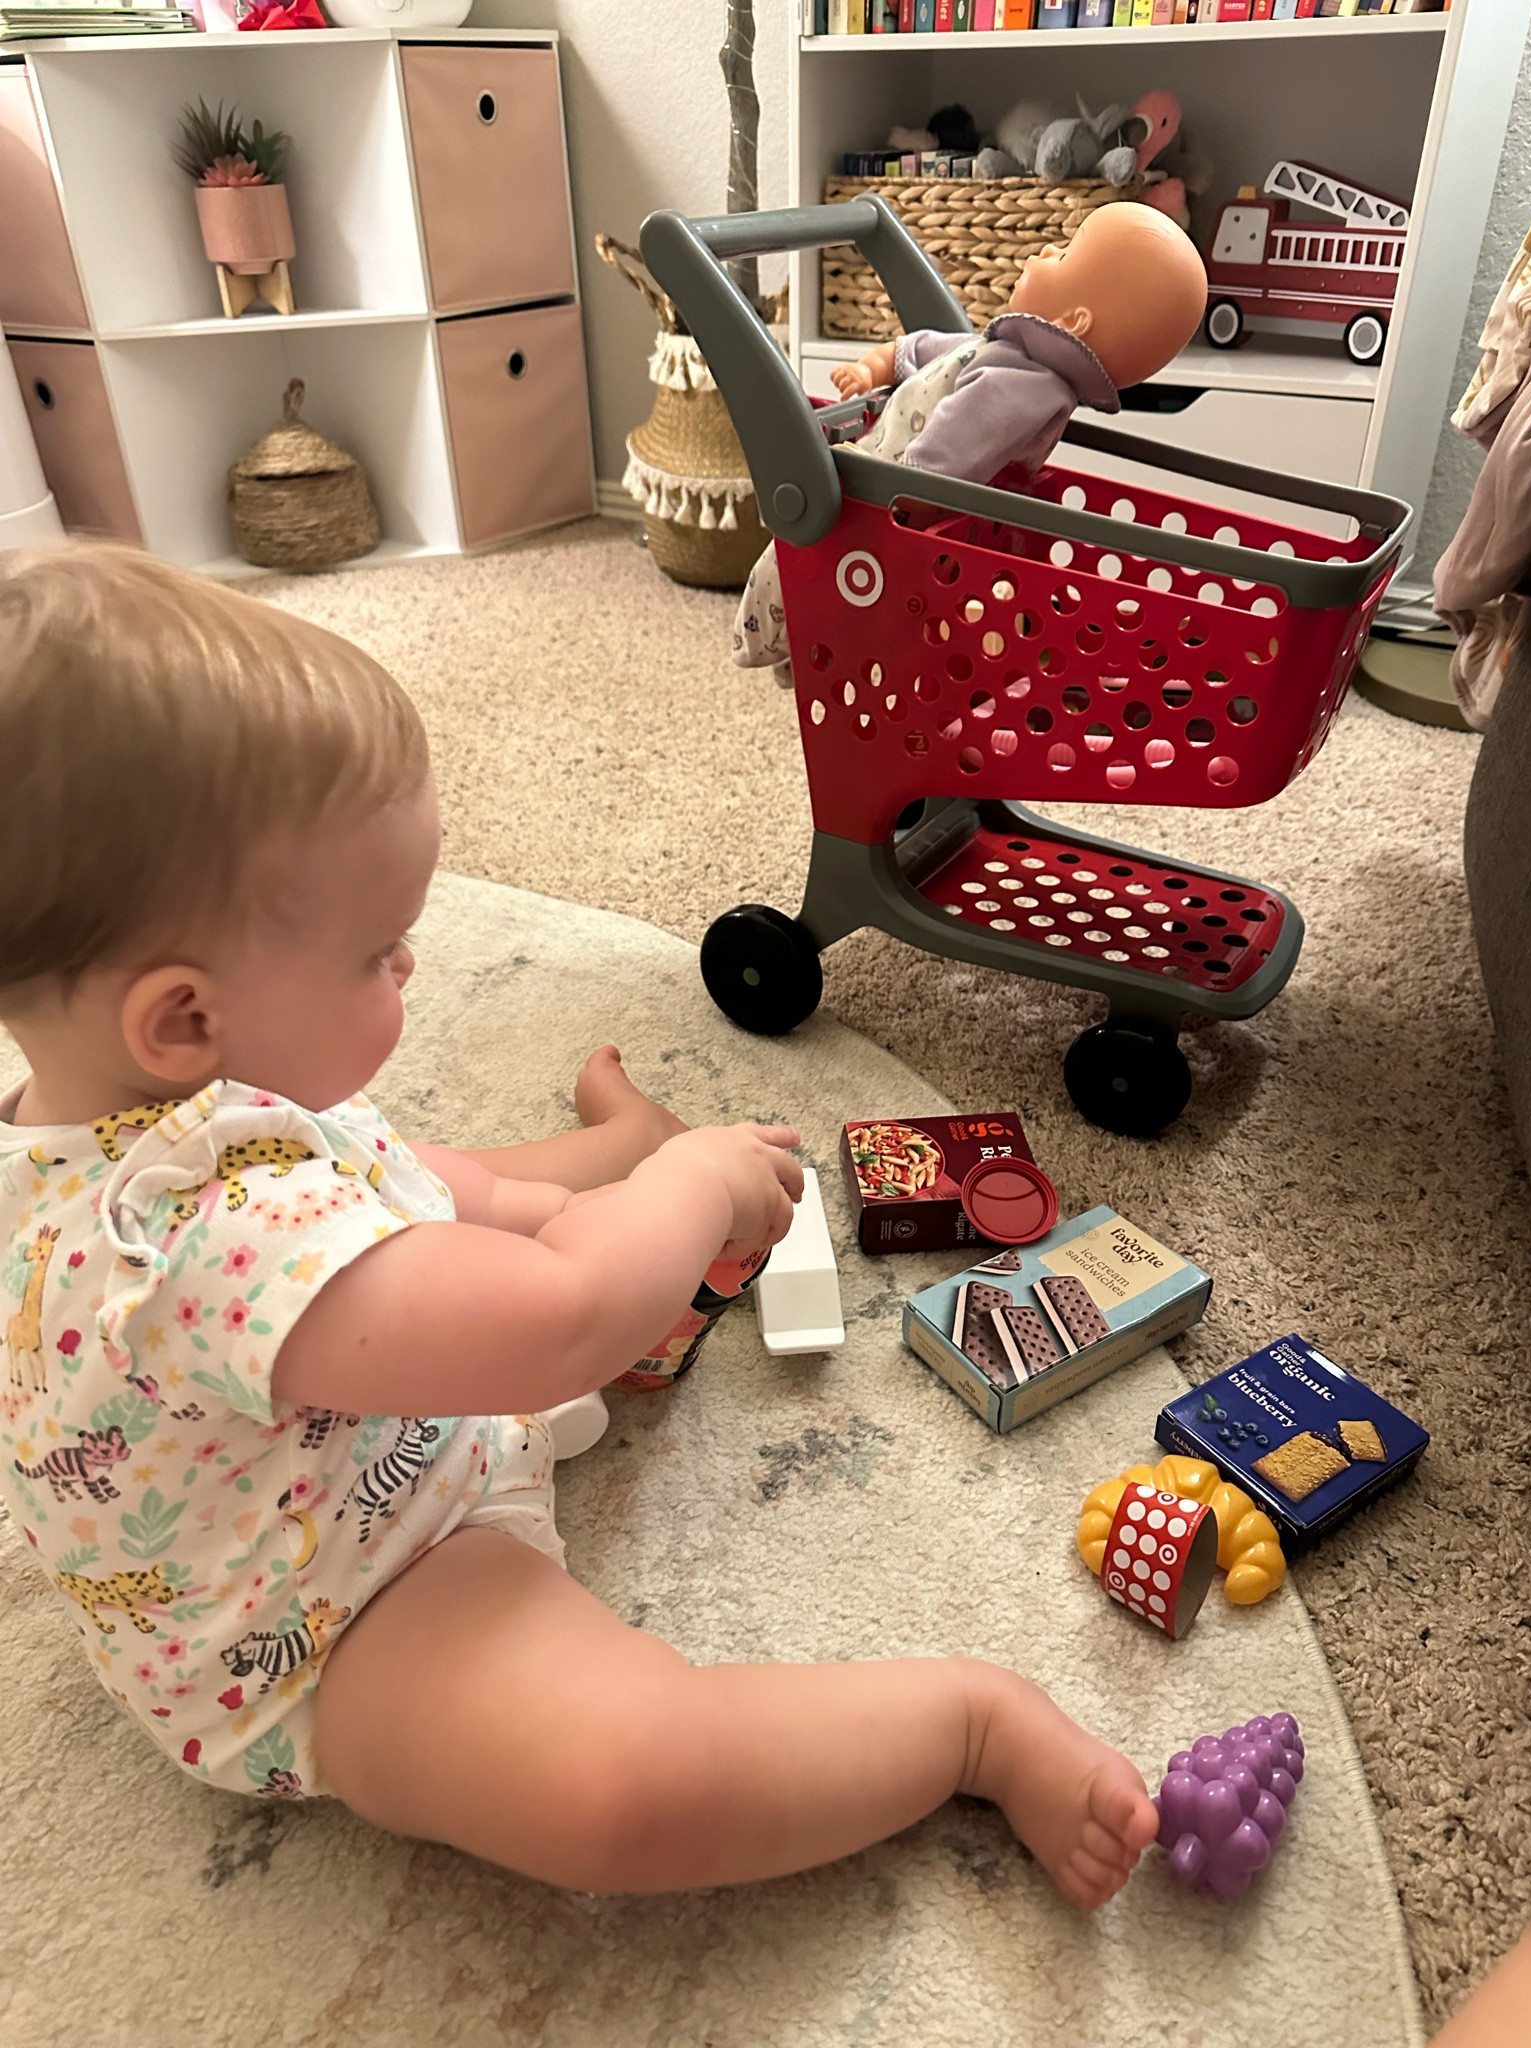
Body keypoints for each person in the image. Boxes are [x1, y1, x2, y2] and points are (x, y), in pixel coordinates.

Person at [0, 542, 1157, 1900]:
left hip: (346, 1421)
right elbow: (550, 1331)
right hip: (340, 1617)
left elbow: (400, 1183)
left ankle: (614, 1145)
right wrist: (686, 1190)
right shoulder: (193, 1240)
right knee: (622, 1793)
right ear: (184, 1018)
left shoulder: (147, 1127)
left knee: (497, 1206)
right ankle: (970, 1721)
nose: (415, 964)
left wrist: (577, 1195)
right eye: (379, 953)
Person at [732, 202, 1208, 679]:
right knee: (821, 588)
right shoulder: (1006, 352)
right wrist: (871, 369)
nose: (1044, 249)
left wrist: (881, 490)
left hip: (880, 514)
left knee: (806, 570)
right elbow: (922, 350)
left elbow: (948, 458)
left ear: (1073, 322)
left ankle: (790, 641)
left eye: (1063, 255)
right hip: (885, 502)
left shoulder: (1026, 386)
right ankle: (803, 644)